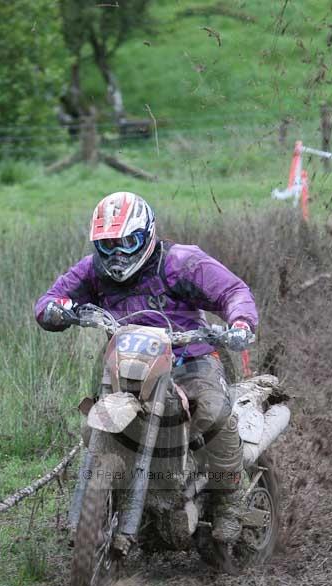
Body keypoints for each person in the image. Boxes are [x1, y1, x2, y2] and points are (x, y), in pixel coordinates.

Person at [34, 191, 258, 544]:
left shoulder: (181, 263)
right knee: (97, 429)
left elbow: (232, 291)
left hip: (191, 360)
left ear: (148, 233)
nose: (119, 254)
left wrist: (240, 323)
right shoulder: (93, 270)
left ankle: (228, 500)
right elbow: (51, 299)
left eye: (129, 241)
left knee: (214, 414)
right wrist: (56, 310)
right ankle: (112, 505)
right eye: (108, 246)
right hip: (129, 368)